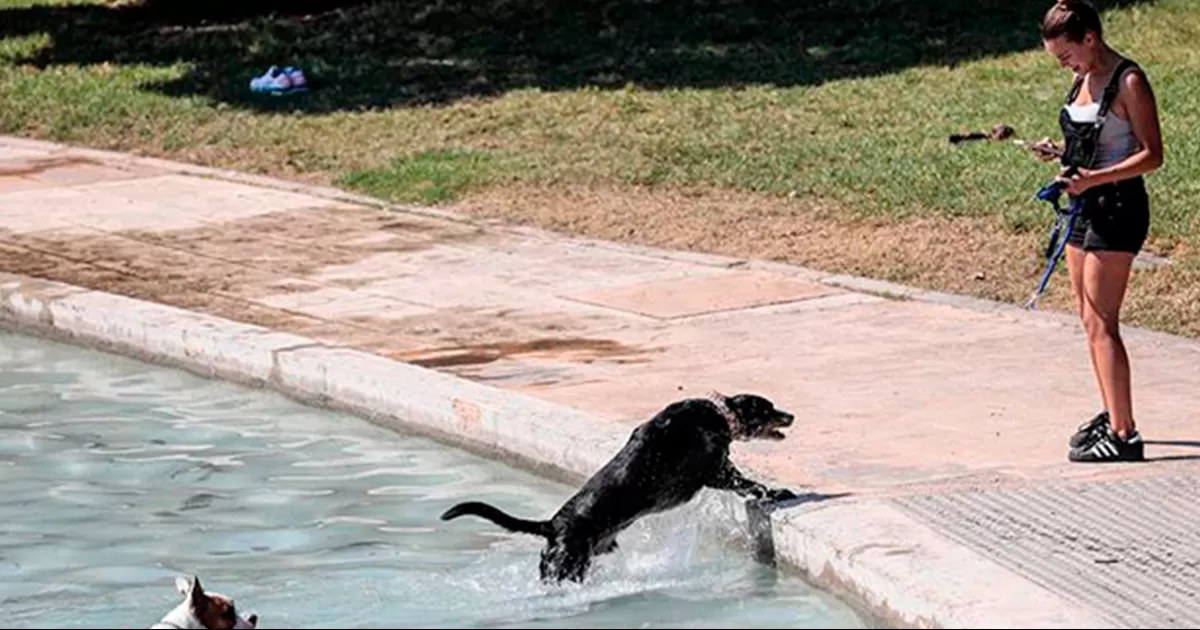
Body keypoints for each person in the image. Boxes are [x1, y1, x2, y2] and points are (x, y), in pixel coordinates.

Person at [1029, 0, 1164, 462]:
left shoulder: (1129, 80)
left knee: (1105, 322)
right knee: (1088, 319)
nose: (1065, 65)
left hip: (1119, 207)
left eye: (1067, 55)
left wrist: (1095, 178)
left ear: (1090, 37)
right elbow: (1092, 141)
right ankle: (1112, 410)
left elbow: (1152, 155)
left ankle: (1125, 436)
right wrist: (1062, 153)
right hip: (1083, 206)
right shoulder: (1081, 80)